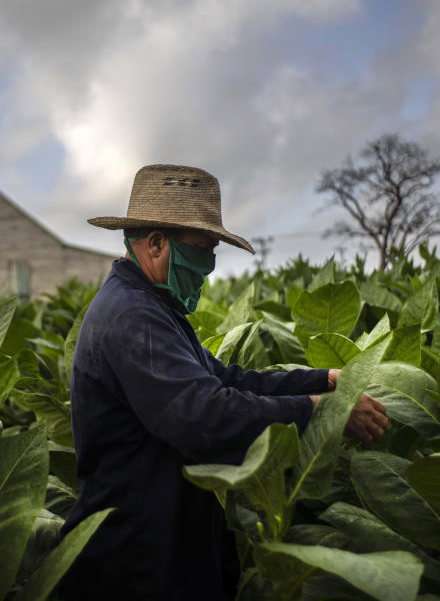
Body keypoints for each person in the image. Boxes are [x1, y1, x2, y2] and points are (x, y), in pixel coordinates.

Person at [58, 164, 389, 600]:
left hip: (163, 545)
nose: (209, 265)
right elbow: (204, 415)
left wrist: (324, 381)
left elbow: (227, 379)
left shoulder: (153, 305)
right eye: (202, 249)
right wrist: (321, 411)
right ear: (156, 243)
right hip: (136, 564)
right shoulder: (132, 315)